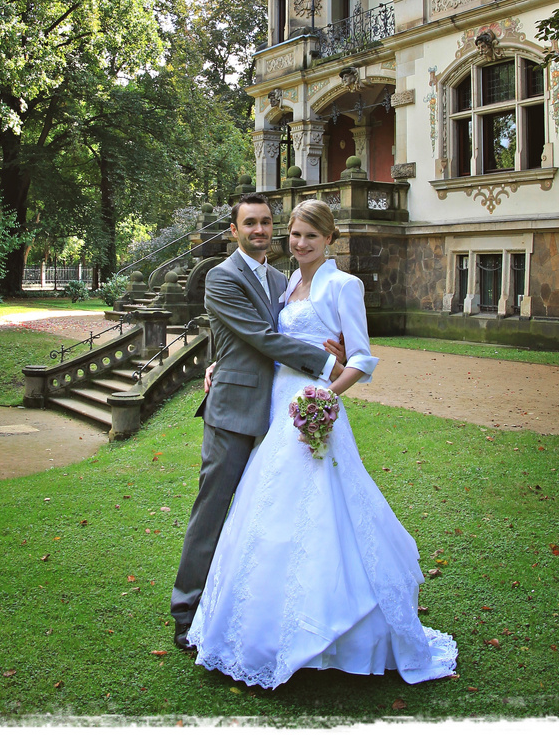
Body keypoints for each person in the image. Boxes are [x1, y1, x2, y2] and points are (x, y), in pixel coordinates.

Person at [187, 199, 458, 689]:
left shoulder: (328, 283)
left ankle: (330, 625)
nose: (295, 241)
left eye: (307, 235)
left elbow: (357, 355)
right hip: (264, 406)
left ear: (329, 238)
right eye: (291, 233)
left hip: (308, 407)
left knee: (319, 511)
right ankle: (211, 614)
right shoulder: (267, 281)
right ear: (238, 230)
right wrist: (218, 364)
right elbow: (251, 335)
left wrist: (327, 386)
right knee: (243, 510)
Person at [171, 193, 347, 651]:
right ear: (234, 230)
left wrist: (341, 349)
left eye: (267, 222)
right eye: (250, 223)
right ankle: (186, 612)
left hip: (278, 412)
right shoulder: (220, 276)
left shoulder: (280, 279)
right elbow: (259, 335)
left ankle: (247, 606)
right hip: (233, 411)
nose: (260, 231)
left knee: (263, 513)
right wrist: (326, 366)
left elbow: (240, 333)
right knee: (212, 511)